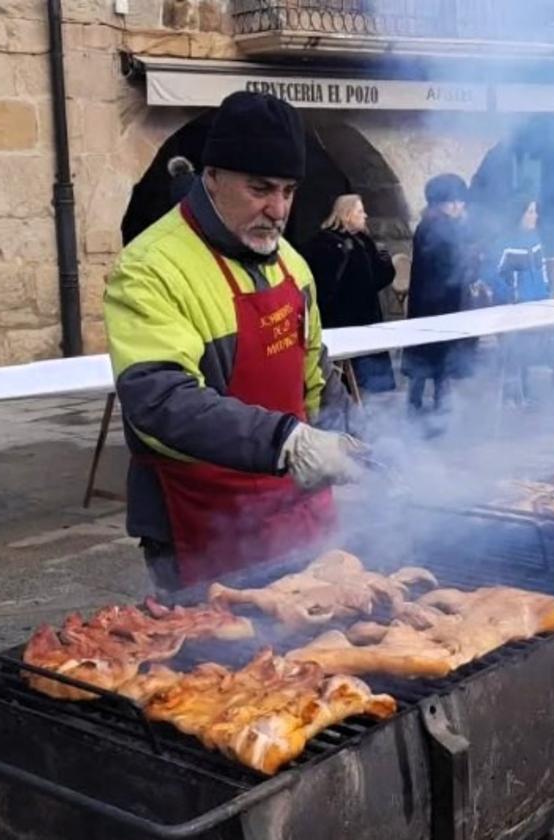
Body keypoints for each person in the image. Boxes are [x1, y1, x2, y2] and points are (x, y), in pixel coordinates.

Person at [104, 91, 366, 596]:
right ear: (213, 178)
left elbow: (315, 374)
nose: (279, 208)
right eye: (260, 188)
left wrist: (357, 437)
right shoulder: (150, 267)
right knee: (215, 668)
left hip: (298, 510)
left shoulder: (291, 262)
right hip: (201, 523)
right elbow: (159, 402)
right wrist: (288, 442)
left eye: (289, 191)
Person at [301, 194, 397, 392]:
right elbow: (321, 285)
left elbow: (376, 280)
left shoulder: (363, 240)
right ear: (346, 214)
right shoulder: (323, 244)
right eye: (360, 211)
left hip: (367, 317)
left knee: (371, 382)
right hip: (340, 321)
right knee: (345, 382)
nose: (365, 215)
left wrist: (386, 264)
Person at [402, 173, 472, 417]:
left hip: (426, 301)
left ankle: (415, 404)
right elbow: (452, 266)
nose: (461, 206)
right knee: (439, 358)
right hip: (439, 303)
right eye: (457, 200)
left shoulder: (427, 224)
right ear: (447, 202)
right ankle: (440, 411)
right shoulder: (443, 227)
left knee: (422, 358)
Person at [484, 199, 550, 407]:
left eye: (535, 211)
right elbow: (489, 273)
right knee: (512, 354)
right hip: (512, 308)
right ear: (519, 215)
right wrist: (509, 294)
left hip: (534, 305)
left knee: (526, 354)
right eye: (530, 212)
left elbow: (543, 269)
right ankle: (509, 396)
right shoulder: (505, 243)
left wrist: (545, 293)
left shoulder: (535, 239)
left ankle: (524, 392)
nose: (535, 216)